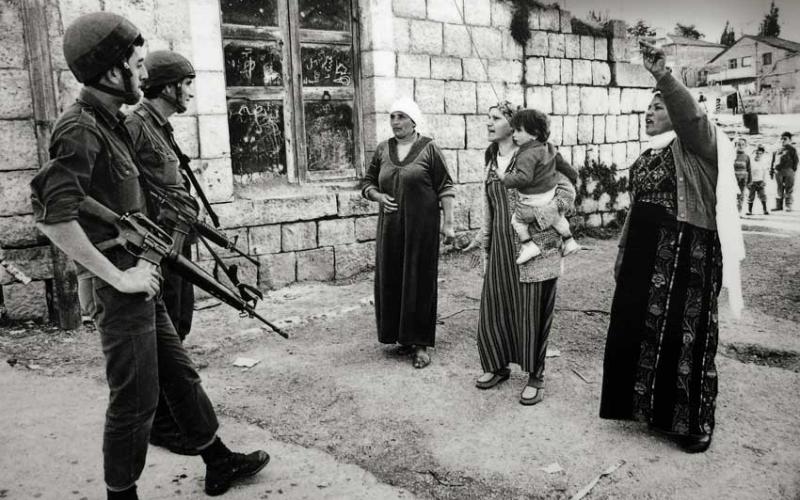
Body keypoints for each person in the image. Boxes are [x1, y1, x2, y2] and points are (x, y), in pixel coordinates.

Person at [29, 12, 269, 499]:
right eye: (137, 66)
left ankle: (217, 459)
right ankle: (123, 494)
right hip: (123, 285)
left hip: (143, 275)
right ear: (113, 72)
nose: (144, 75)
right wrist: (116, 280)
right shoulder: (78, 129)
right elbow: (53, 216)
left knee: (179, 374)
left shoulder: (110, 123)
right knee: (134, 401)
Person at [599, 41, 745, 453]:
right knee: (640, 330)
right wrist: (623, 254)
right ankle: (649, 410)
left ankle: (693, 422)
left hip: (688, 254)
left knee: (687, 335)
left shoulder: (698, 144)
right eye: (647, 109)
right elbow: (636, 211)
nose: (650, 113)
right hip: (646, 256)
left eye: (659, 108)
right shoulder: (644, 157)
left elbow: (693, 117)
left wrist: (664, 77)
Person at [464, 101, 577, 406]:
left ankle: (536, 376)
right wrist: (481, 241)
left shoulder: (542, 153)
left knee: (532, 313)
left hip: (536, 250)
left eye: (496, 118)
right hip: (502, 250)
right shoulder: (491, 158)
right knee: (496, 307)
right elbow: (490, 205)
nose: (489, 123)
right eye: (488, 117)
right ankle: (497, 365)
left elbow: (569, 192)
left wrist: (541, 217)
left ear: (514, 128)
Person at [125, 50, 202, 456]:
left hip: (177, 243)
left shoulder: (161, 127)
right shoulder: (135, 126)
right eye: (187, 83)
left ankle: (170, 414)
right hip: (158, 247)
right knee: (165, 331)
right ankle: (162, 424)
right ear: (169, 86)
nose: (190, 92)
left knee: (179, 324)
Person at [361, 98, 456, 369]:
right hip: (390, 228)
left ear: (414, 120)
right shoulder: (383, 149)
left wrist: (448, 224)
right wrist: (378, 196)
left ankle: (421, 344)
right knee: (391, 278)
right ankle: (400, 336)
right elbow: (367, 183)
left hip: (421, 229)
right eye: (392, 117)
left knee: (419, 281)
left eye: (401, 116)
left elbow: (445, 187)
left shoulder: (429, 148)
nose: (395, 122)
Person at [504, 108, 580, 264]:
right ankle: (570, 241)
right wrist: (574, 177)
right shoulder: (549, 148)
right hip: (549, 195)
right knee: (556, 218)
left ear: (534, 133)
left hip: (534, 200)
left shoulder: (526, 154)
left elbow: (524, 178)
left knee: (516, 221)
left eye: (518, 131)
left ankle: (528, 245)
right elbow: (565, 166)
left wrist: (506, 179)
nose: (514, 135)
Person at [770, 131, 798, 211]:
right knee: (779, 188)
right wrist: (771, 171)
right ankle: (778, 206)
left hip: (789, 171)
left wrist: (792, 170)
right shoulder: (777, 150)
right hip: (778, 172)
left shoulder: (792, 150)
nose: (783, 140)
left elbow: (796, 161)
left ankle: (788, 205)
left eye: (785, 139)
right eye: (781, 139)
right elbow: (773, 161)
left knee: (789, 188)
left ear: (790, 140)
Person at [746, 145, 770, 216]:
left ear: (762, 154)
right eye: (757, 153)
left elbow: (765, 173)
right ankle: (749, 210)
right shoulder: (751, 162)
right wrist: (748, 182)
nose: (758, 155)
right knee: (750, 196)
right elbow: (748, 172)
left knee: (763, 195)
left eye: (760, 153)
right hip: (752, 182)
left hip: (760, 182)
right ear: (754, 153)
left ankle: (765, 210)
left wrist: (764, 181)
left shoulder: (763, 163)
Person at [733, 137, 751, 212]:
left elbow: (749, 169)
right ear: (735, 145)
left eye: (742, 144)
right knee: (733, 195)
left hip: (743, 179)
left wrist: (750, 181)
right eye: (739, 144)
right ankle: (732, 211)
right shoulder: (732, 155)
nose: (740, 146)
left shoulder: (746, 157)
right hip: (733, 179)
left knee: (741, 195)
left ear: (745, 146)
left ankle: (739, 211)